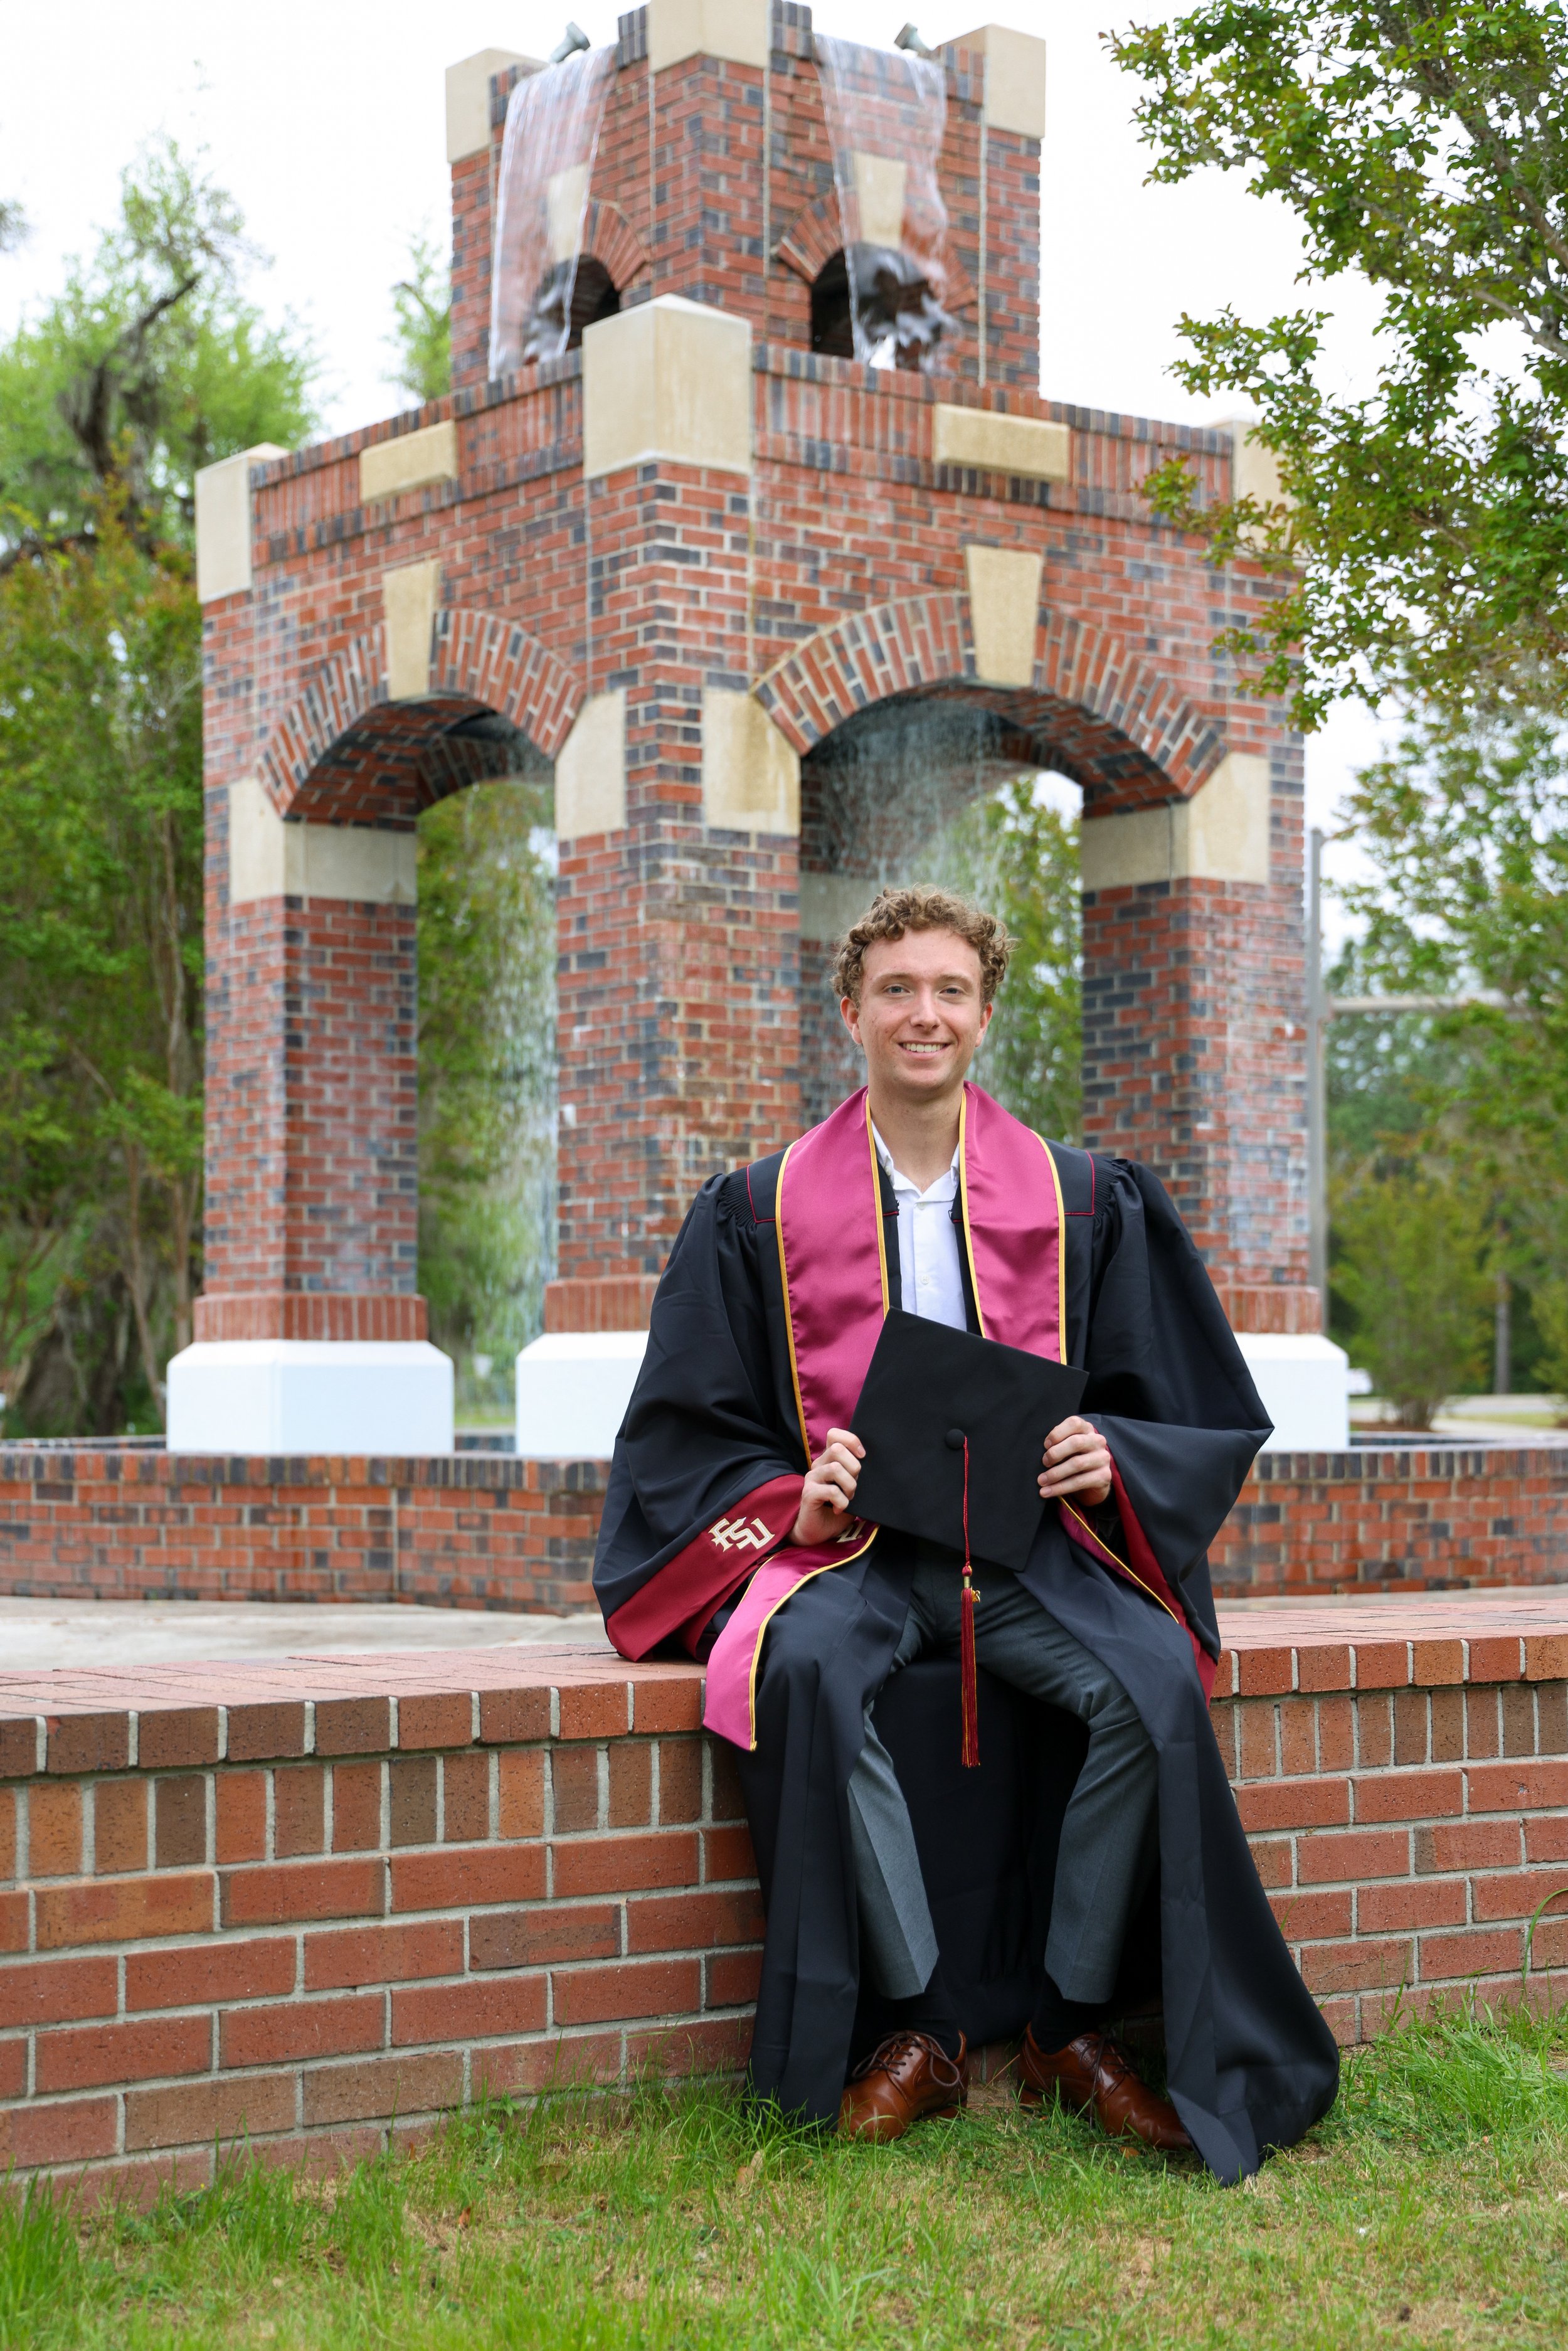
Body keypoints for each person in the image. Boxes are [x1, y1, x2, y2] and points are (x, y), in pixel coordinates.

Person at [594, 885, 1338, 2181]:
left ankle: (1064, 2023)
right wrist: (792, 1497)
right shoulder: (758, 1207)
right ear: (851, 1011)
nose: (923, 1013)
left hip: (1026, 1548)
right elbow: (685, 1427)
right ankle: (923, 2028)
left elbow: (1180, 1398)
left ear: (985, 1013)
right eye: (896, 989)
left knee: (1149, 1683)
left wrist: (1109, 1458)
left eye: (949, 989)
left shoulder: (1083, 1196)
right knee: (805, 1671)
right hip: (857, 1554)